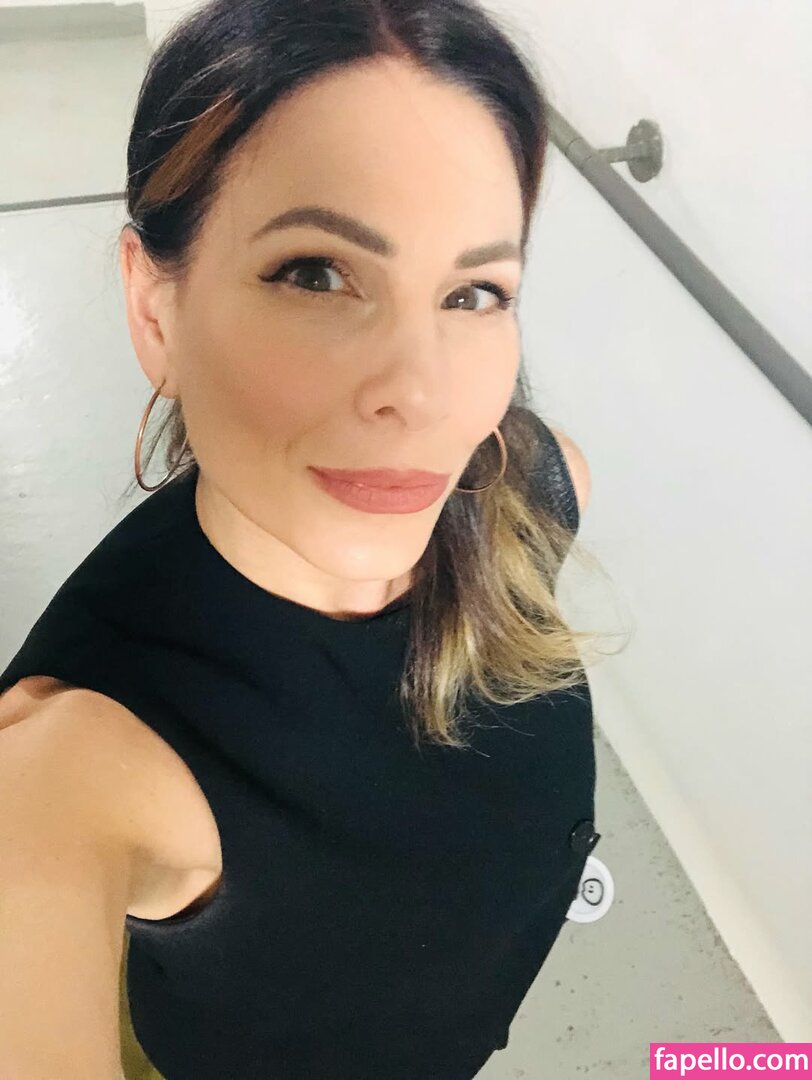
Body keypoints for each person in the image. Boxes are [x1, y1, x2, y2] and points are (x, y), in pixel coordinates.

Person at [0, 0, 609, 1076]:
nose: (420, 396)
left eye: (473, 292)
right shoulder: (69, 768)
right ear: (155, 309)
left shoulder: (534, 486)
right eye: (316, 273)